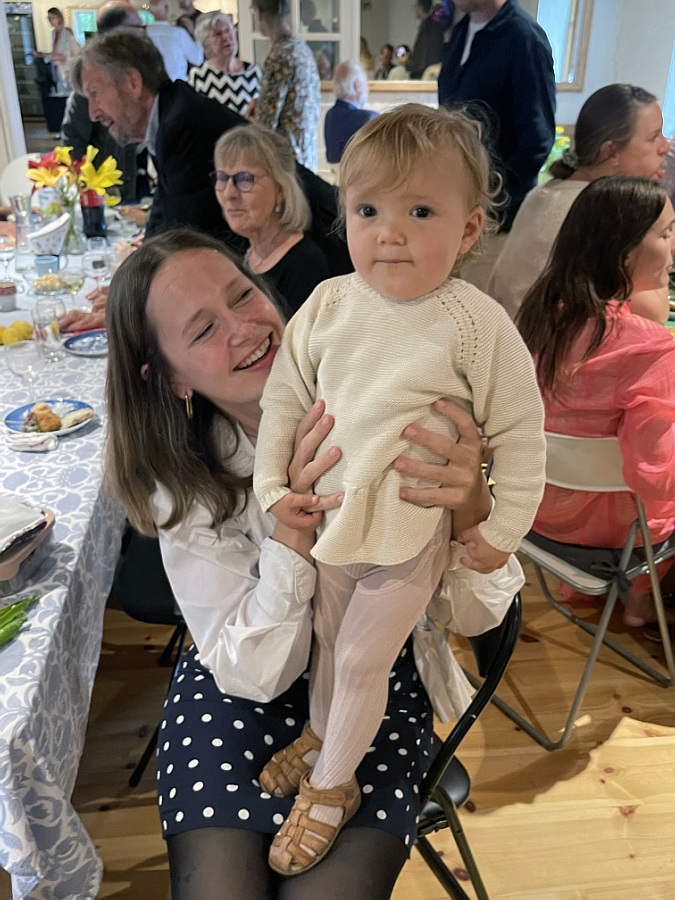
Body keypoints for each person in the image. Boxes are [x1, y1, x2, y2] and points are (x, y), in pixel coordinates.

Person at [104, 226, 497, 899]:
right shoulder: (186, 479)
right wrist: (291, 527)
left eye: (242, 296)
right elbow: (257, 674)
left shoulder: (395, 399)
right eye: (203, 329)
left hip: (373, 675)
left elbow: (478, 615)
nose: (244, 329)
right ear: (169, 377)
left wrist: (471, 511)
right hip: (238, 675)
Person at [252, 104, 545, 875]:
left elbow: (521, 431)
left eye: (419, 212)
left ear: (469, 229)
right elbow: (283, 402)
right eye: (368, 211)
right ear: (343, 214)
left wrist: (502, 528)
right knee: (329, 645)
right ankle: (323, 735)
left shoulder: (476, 323)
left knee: (358, 661)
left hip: (411, 533)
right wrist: (272, 486)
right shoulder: (327, 304)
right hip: (333, 524)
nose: (389, 233)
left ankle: (330, 787)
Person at [517, 175, 675, 628]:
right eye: (665, 233)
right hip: (614, 533)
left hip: (537, 513)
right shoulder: (648, 348)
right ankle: (642, 600)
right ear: (624, 252)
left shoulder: (541, 315)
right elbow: (655, 477)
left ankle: (598, 593)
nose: (673, 245)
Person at [489, 84, 672, 321]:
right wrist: (657, 207)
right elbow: (653, 312)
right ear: (611, 151)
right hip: (542, 342)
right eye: (653, 138)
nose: (665, 148)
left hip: (513, 334)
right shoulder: (600, 208)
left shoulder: (547, 190)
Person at [438, 0, 556, 235]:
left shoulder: (524, 37)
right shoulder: (461, 30)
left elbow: (536, 141)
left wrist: (492, 202)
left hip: (497, 222)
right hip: (457, 209)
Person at [213, 125, 330, 317]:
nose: (229, 193)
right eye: (222, 178)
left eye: (245, 179)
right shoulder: (242, 254)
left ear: (280, 190)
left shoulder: (304, 265)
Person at [61, 1, 144, 204]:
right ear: (119, 34)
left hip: (141, 186)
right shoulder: (91, 78)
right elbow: (74, 143)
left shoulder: (141, 72)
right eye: (139, 28)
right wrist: (89, 194)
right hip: (106, 194)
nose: (144, 35)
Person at [246, 0, 321, 172]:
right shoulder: (300, 48)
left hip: (286, 160)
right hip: (305, 154)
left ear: (258, 13)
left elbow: (266, 123)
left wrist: (251, 119)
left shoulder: (280, 55)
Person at [189, 12, 262, 116]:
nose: (225, 37)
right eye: (218, 34)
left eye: (228, 30)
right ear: (206, 46)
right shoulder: (198, 76)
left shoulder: (254, 71)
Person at [32, 7, 77, 133]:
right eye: (49, 18)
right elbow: (55, 54)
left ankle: (69, 130)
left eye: (52, 18)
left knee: (66, 100)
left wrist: (51, 57)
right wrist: (44, 55)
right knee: (57, 100)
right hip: (56, 71)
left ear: (59, 18)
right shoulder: (54, 33)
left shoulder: (67, 34)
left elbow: (68, 56)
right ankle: (60, 129)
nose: (51, 21)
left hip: (65, 71)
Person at [324, 61, 378, 165]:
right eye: (365, 84)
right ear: (357, 85)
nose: (367, 89)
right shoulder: (369, 118)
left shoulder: (330, 115)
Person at [146, 0, 203, 82]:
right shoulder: (177, 33)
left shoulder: (145, 35)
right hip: (179, 83)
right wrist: (195, 35)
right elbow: (197, 59)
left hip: (155, 83)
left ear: (151, 12)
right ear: (166, 8)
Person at [407, 0, 445, 79]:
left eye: (416, 6)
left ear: (420, 8)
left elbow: (426, 54)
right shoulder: (430, 26)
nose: (414, 9)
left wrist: (415, 67)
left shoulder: (430, 27)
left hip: (426, 73)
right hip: (425, 71)